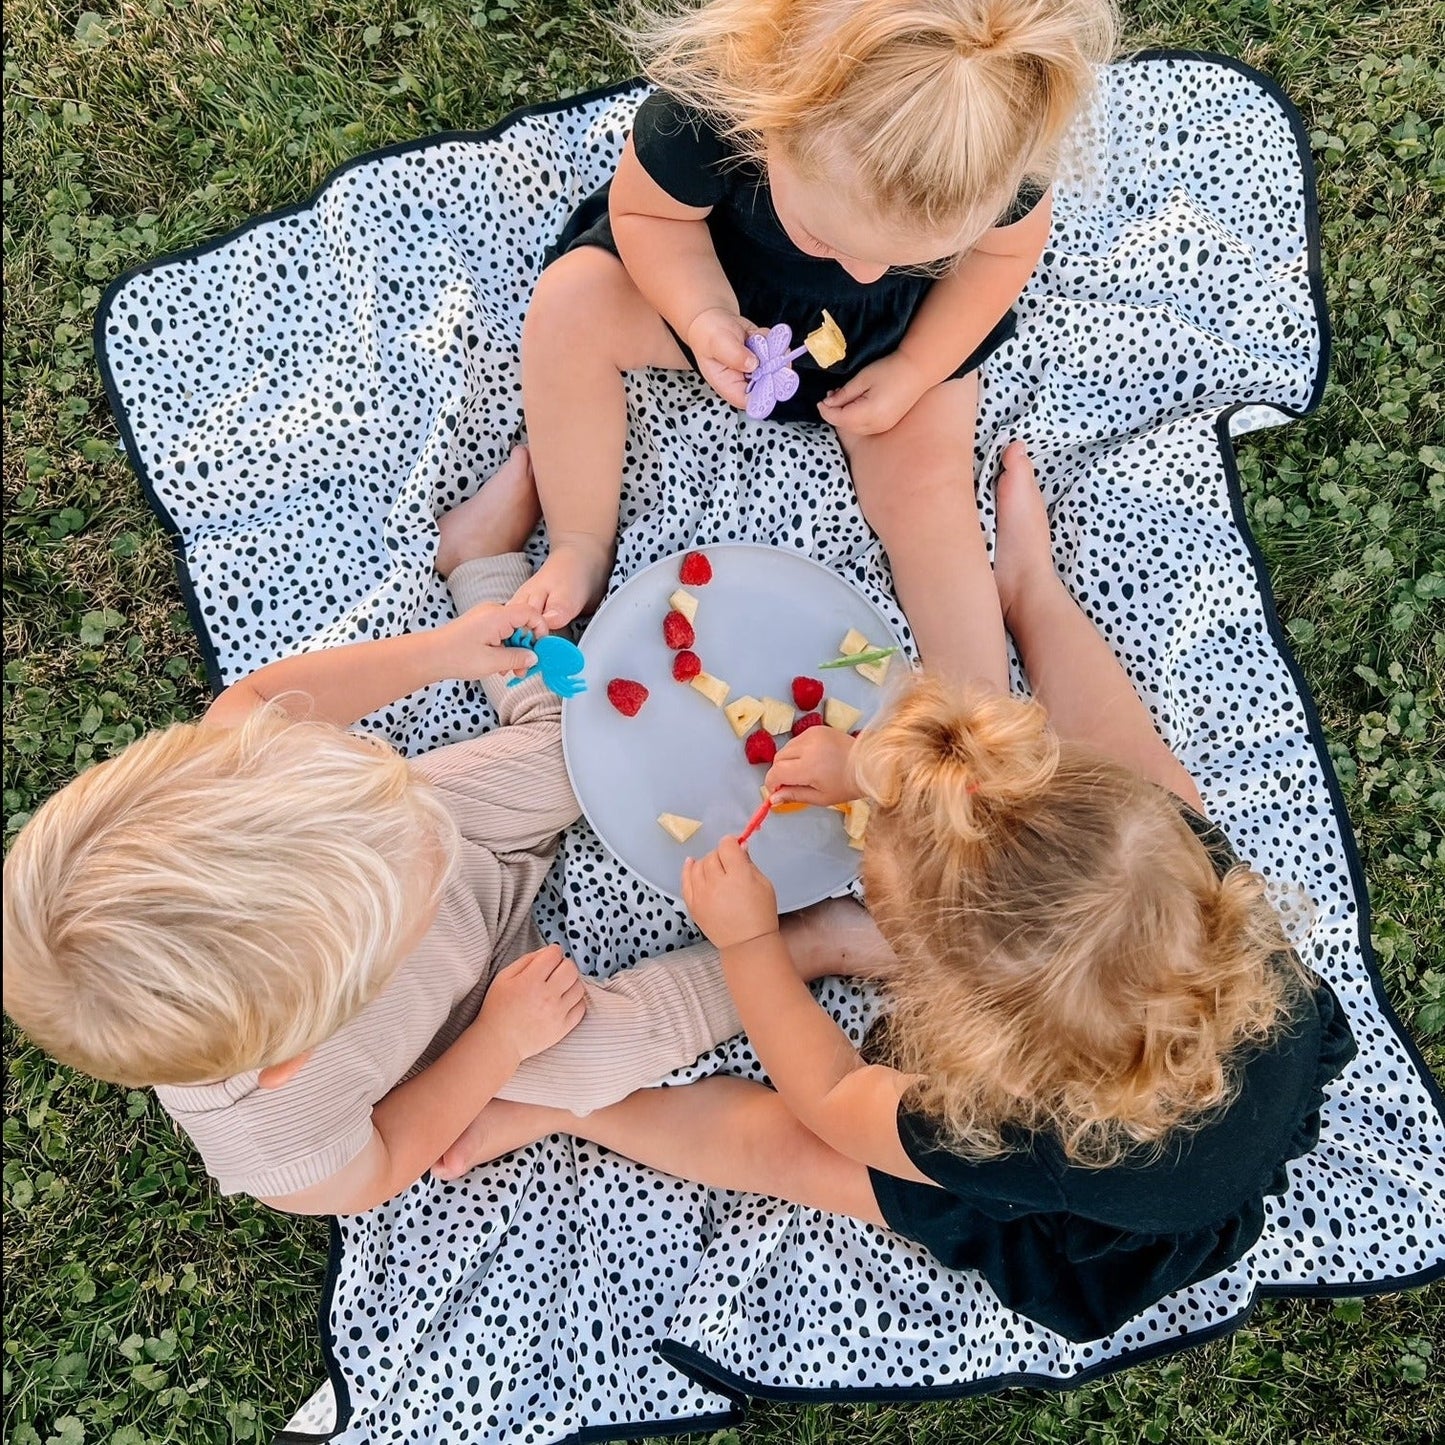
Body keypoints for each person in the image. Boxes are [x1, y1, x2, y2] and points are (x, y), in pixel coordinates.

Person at [437, 444, 1358, 1342]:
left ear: (961, 1023)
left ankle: (573, 1109)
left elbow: (829, 1092)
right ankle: (1033, 593)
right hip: (1197, 1044)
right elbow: (1098, 756)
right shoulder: (1156, 845)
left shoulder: (1003, 1125)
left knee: (795, 1156)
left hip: (1111, 1199)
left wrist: (753, 943)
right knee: (1131, 757)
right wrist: (873, 764)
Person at [0, 448, 888, 1216]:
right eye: (399, 876)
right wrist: (499, 1039)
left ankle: (479, 562)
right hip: (465, 1025)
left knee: (565, 752)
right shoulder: (280, 1141)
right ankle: (800, 947)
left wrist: (446, 651)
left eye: (372, 813)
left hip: (466, 829)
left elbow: (256, 703)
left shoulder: (230, 793)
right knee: (602, 1056)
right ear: (290, 1057)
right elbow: (383, 1159)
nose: (407, 838)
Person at [512, 0, 1118, 687]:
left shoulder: (1003, 157)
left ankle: (973, 711)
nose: (860, 270)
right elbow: (649, 217)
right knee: (571, 303)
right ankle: (579, 544)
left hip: (889, 335)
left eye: (913, 254)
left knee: (927, 484)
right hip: (724, 286)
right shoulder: (703, 112)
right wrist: (701, 315)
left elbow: (999, 264)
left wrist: (915, 369)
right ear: (769, 124)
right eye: (828, 241)